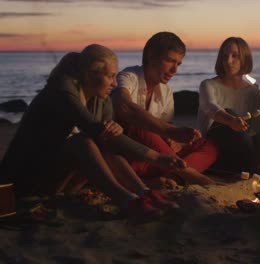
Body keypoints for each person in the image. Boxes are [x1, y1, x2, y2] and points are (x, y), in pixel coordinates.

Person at [0, 44, 185, 221]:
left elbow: (108, 137)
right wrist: (156, 157)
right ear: (90, 75)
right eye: (111, 76)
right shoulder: (62, 88)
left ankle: (144, 193)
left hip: (62, 181)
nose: (114, 83)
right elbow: (94, 130)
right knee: (83, 141)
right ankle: (128, 201)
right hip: (26, 180)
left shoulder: (100, 95)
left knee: (104, 142)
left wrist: (115, 128)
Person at [112, 32, 217, 186]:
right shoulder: (129, 76)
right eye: (169, 61)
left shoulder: (166, 91)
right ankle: (188, 174)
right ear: (151, 56)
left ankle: (172, 178)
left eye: (178, 64)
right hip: (131, 157)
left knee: (208, 145)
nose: (175, 70)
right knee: (140, 123)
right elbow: (123, 106)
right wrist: (169, 131)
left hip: (159, 161)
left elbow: (165, 135)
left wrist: (174, 140)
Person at [197, 37, 260, 174]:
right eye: (225, 56)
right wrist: (231, 121)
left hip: (242, 151)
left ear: (245, 59)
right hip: (214, 148)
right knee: (229, 113)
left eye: (235, 56)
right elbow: (211, 108)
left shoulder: (254, 92)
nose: (228, 61)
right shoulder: (208, 85)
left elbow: (259, 128)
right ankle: (255, 170)